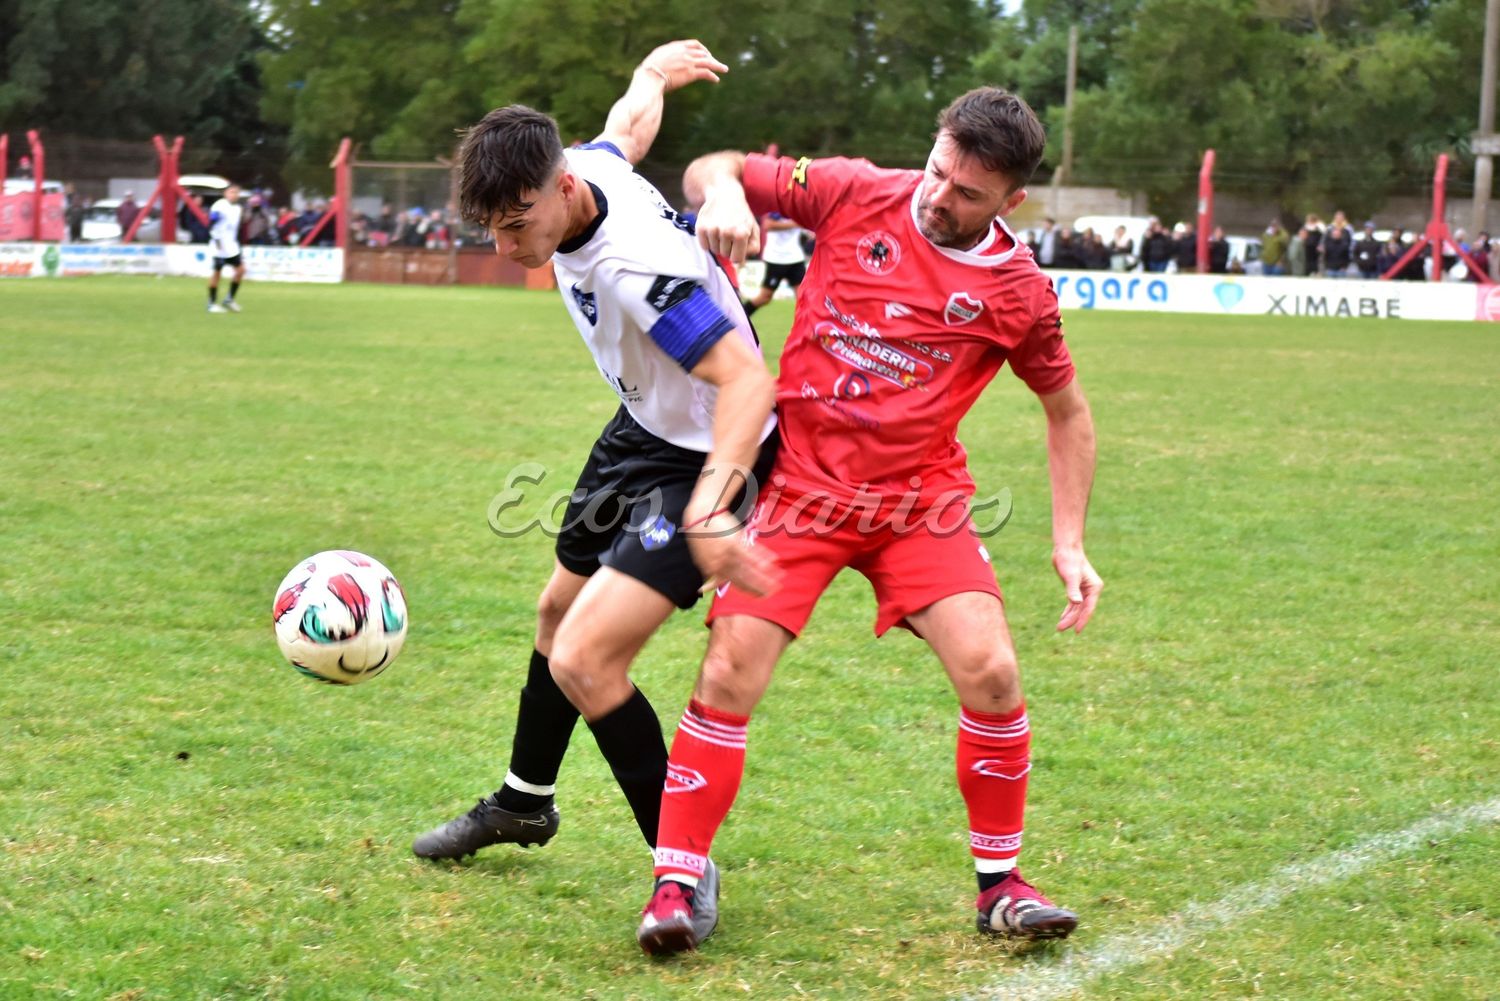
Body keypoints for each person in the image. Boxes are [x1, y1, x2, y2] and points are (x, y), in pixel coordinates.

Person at [635, 86, 1101, 955]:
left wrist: (1068, 541)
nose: (939, 196)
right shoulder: (855, 188)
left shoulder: (1019, 293)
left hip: (917, 502)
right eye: (938, 170)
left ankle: (1001, 886)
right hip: (803, 487)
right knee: (731, 666)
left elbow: (1068, 411)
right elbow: (715, 168)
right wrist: (730, 192)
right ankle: (673, 882)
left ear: (1012, 201)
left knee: (993, 670)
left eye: (968, 193)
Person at [408, 40, 779, 950]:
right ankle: (525, 803)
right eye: (489, 229)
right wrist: (652, 73)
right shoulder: (589, 168)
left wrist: (712, 503)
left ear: (560, 188)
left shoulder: (640, 267)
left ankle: (682, 864)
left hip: (705, 453)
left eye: (514, 224)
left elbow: (746, 384)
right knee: (554, 615)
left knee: (584, 658)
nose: (505, 249)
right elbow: (627, 128)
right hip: (641, 430)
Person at [742, 212, 805, 316]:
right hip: (777, 259)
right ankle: (740, 319)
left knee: (804, 298)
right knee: (764, 297)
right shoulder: (780, 207)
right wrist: (796, 224)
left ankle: (805, 330)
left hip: (796, 258)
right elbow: (768, 225)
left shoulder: (802, 205)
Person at [206, 184, 246, 313]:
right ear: (225, 193)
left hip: (231, 246)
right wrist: (216, 240)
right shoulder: (219, 205)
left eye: (236, 192)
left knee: (241, 270)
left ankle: (229, 299)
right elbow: (212, 223)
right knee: (217, 273)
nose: (234, 194)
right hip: (219, 245)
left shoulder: (238, 209)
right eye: (231, 192)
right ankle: (211, 304)